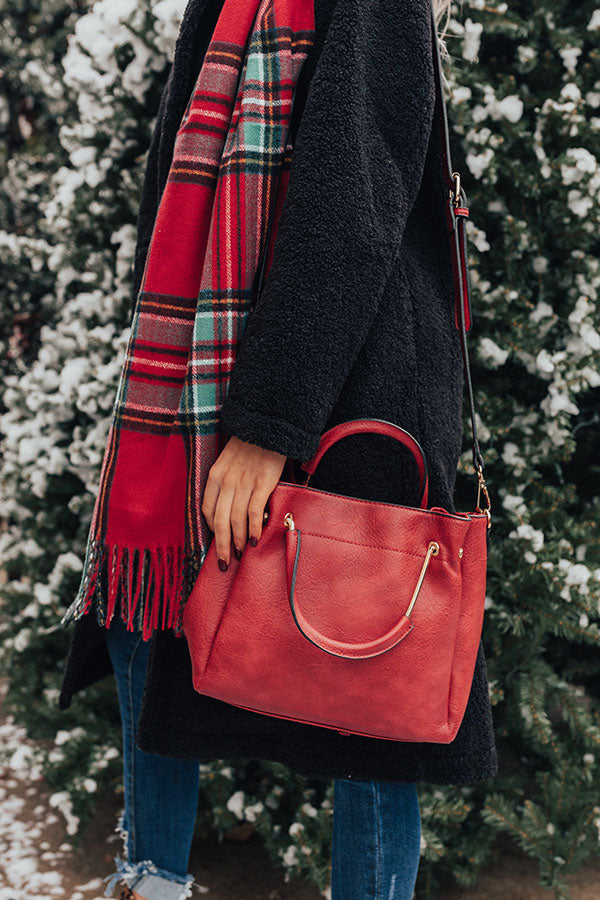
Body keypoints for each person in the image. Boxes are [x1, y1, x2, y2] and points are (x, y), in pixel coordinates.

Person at [58, 1, 499, 898]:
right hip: (199, 378)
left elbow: (355, 196)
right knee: (144, 616)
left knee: (370, 681)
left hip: (352, 375)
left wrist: (267, 426)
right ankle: (152, 878)